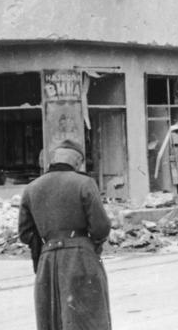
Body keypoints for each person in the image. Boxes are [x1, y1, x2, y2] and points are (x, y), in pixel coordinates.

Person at [18, 139, 113, 330]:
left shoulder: (31, 188)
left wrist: (43, 250)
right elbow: (100, 227)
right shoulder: (84, 183)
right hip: (80, 259)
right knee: (87, 319)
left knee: (53, 321)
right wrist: (92, 245)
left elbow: (25, 232)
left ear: (53, 159)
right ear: (77, 162)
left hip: (48, 262)